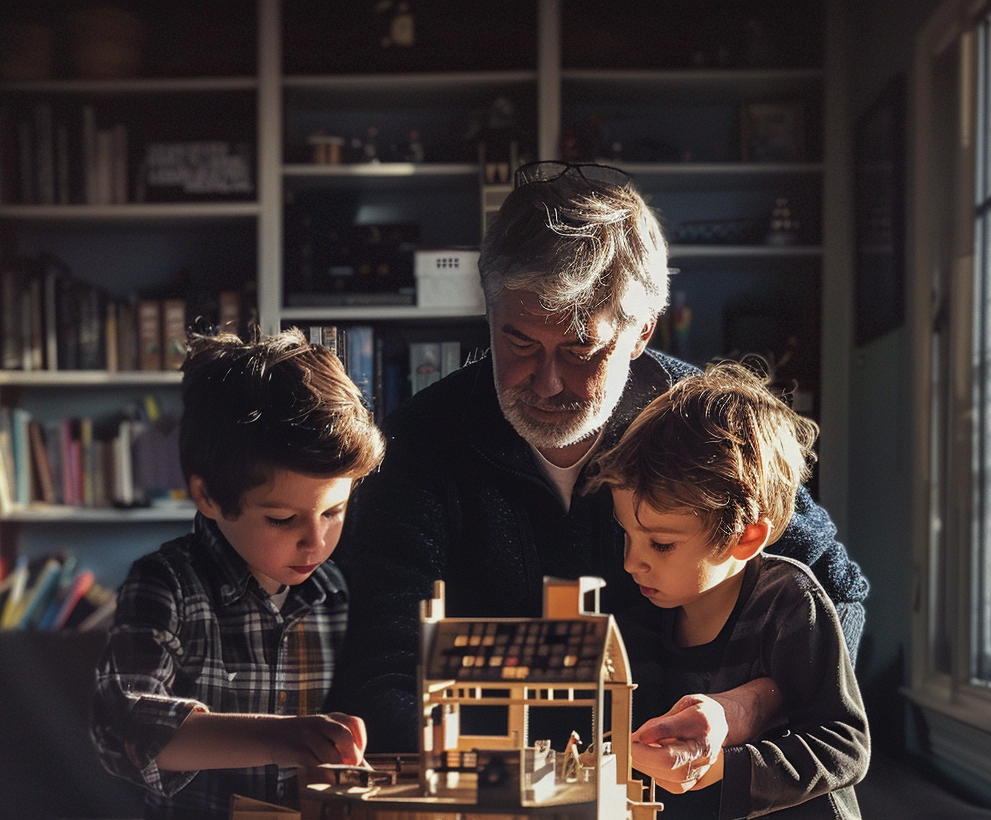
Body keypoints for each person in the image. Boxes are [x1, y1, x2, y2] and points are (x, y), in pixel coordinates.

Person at [326, 161, 868, 756]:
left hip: (685, 796)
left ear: (641, 333)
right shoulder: (419, 444)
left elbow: (839, 597)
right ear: (489, 313)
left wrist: (748, 706)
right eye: (519, 342)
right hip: (485, 793)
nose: (548, 382)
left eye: (582, 348)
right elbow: (379, 667)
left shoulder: (702, 429)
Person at [91, 327, 385, 820]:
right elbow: (124, 724)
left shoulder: (342, 592)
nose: (316, 542)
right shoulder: (166, 585)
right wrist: (279, 737)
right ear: (208, 497)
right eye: (282, 519)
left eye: (333, 512)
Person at [592, 361, 870, 820]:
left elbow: (844, 745)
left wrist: (726, 767)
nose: (632, 562)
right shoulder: (643, 612)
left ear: (744, 538)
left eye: (661, 543)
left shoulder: (789, 601)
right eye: (627, 535)